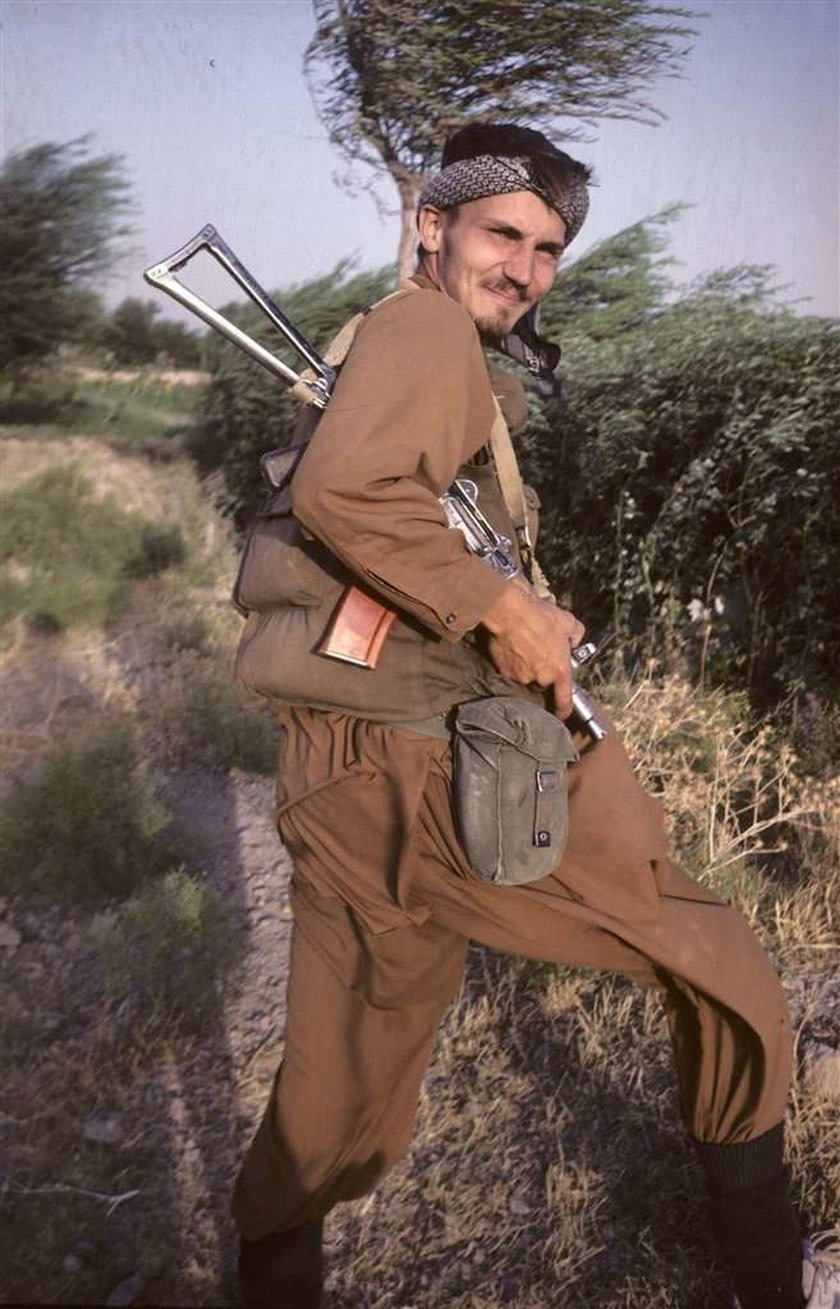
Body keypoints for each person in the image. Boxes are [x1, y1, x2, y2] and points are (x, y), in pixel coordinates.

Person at [231, 123, 838, 1309]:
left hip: (341, 768)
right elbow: (348, 489)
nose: (525, 268)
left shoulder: (396, 332)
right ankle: (777, 1281)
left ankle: (271, 1276)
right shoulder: (423, 331)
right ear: (433, 225)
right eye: (502, 234)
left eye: (548, 248)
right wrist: (502, 607)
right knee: (720, 962)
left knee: (346, 1059)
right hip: (433, 768)